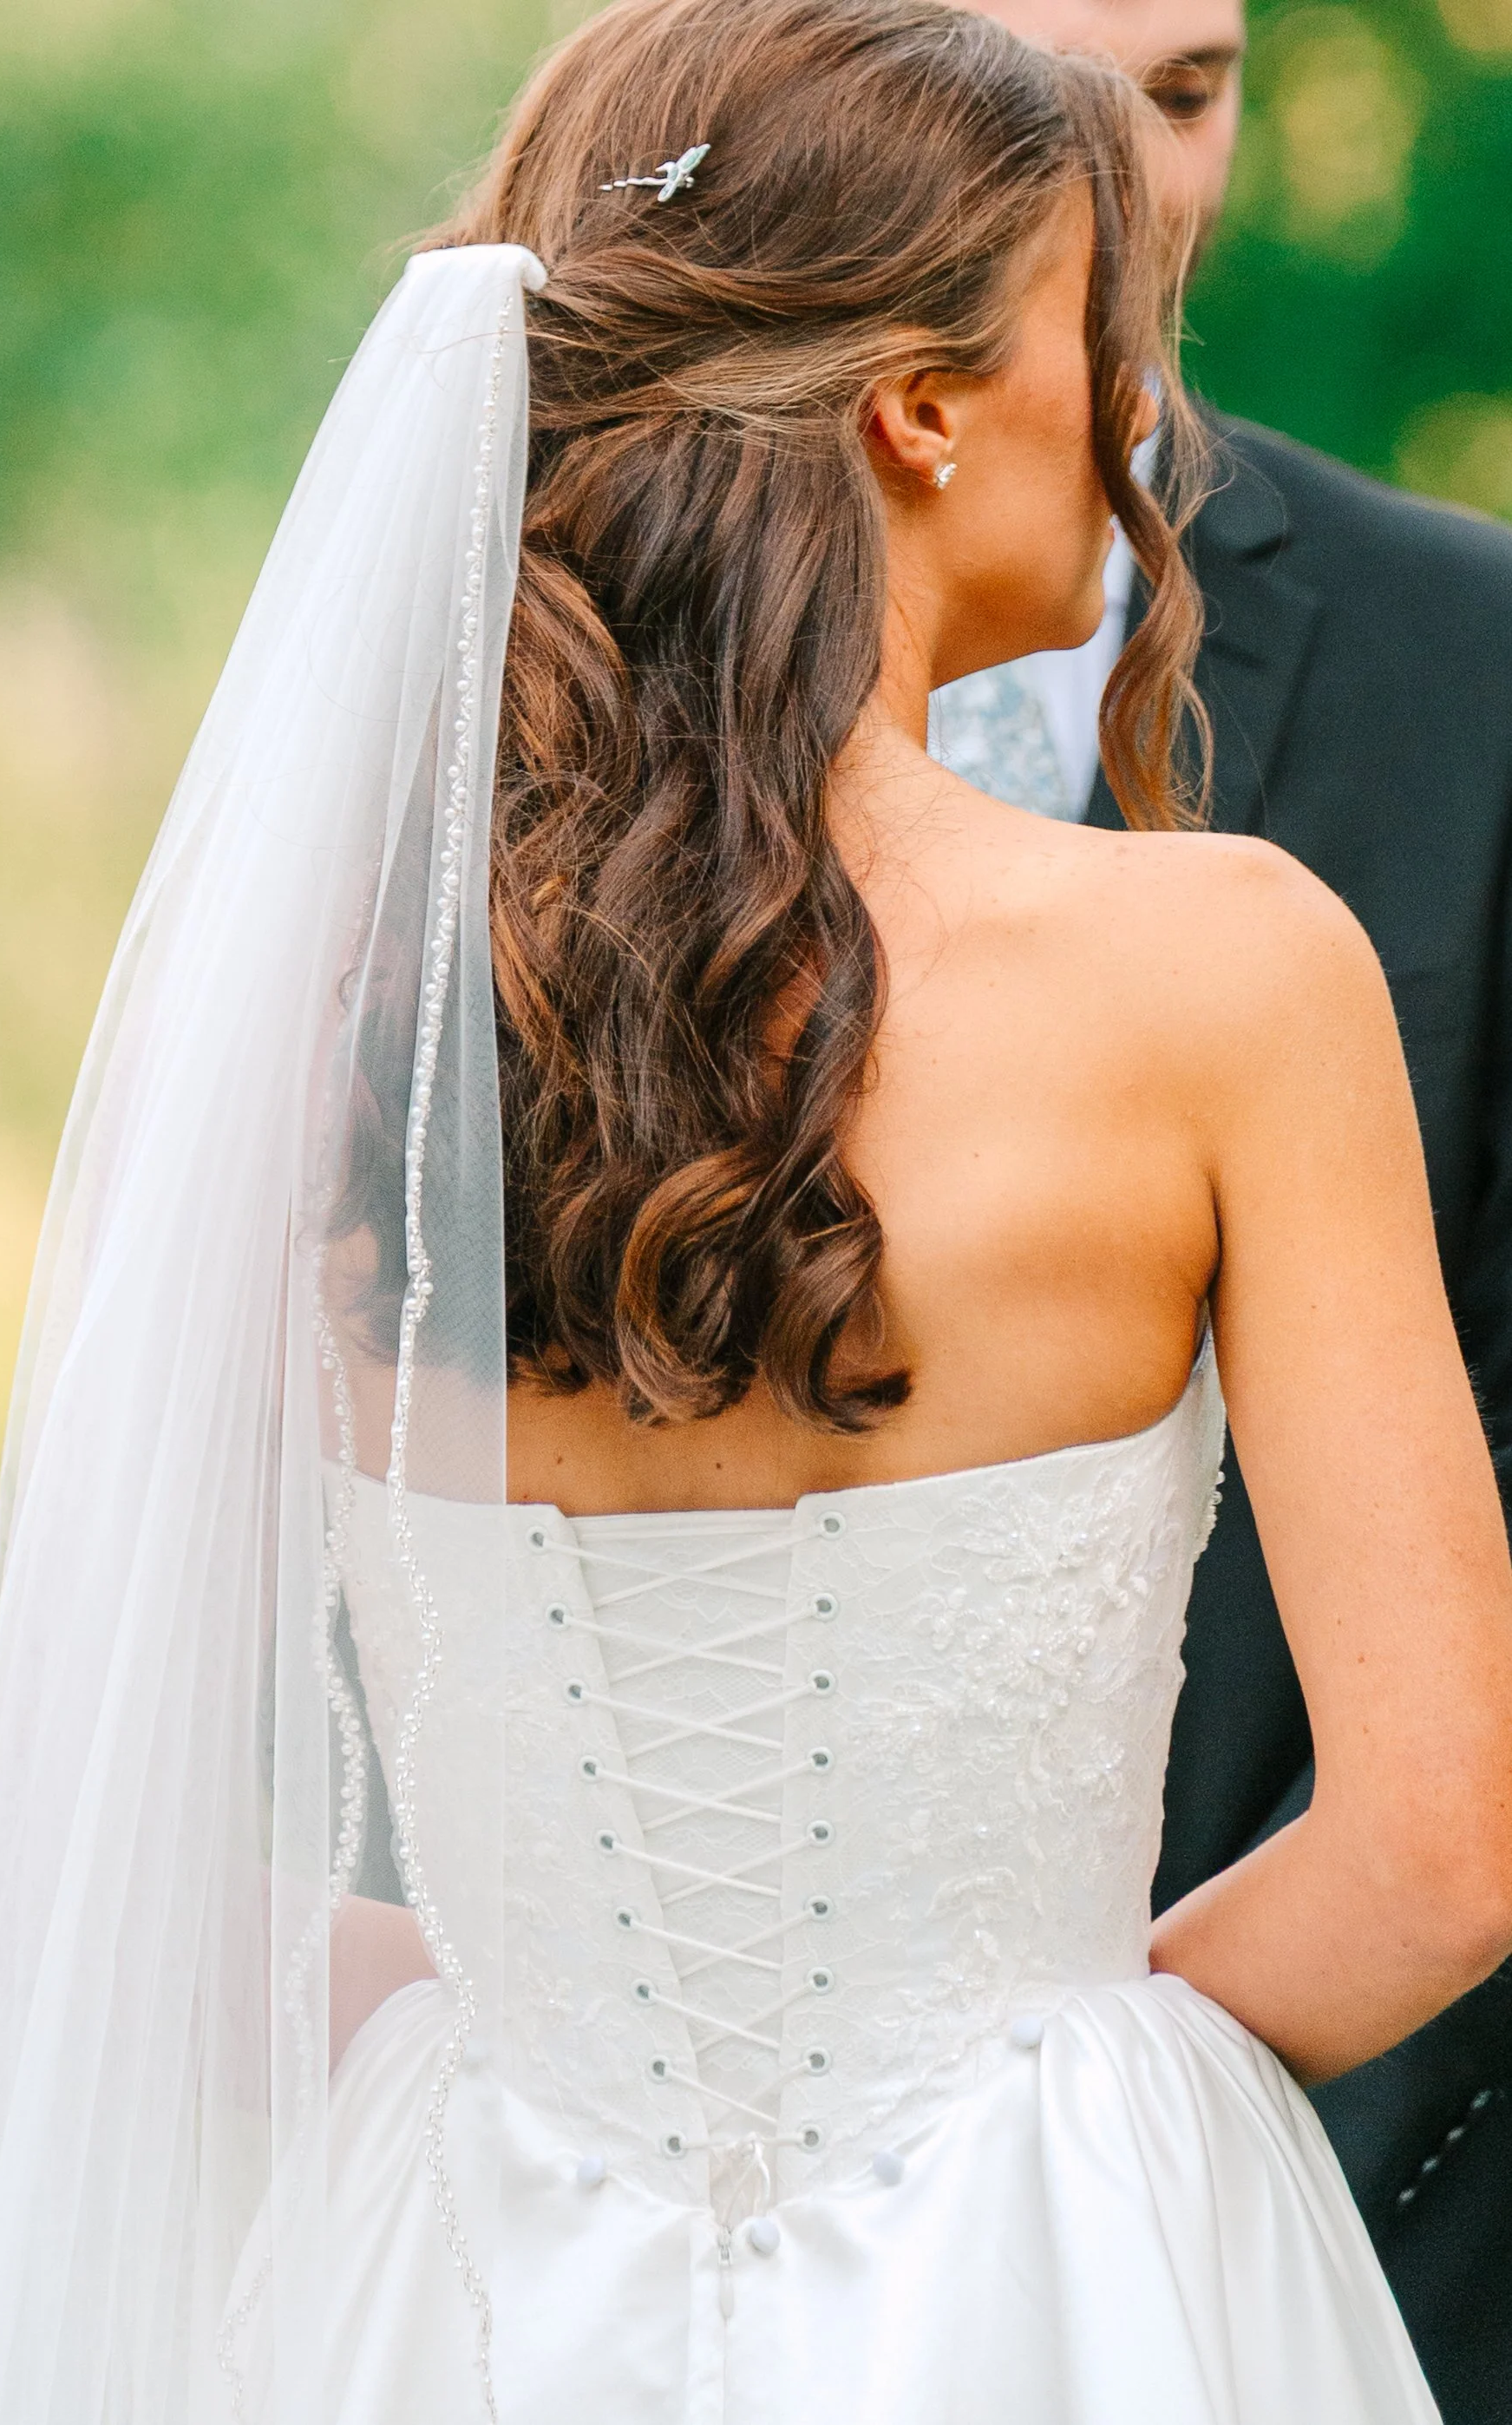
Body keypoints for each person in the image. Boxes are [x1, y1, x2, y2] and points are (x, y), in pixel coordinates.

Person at [0, 3, 1511, 2419]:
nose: (1144, 424)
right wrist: (1043, 2095)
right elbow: (1438, 1847)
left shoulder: (333, 1009)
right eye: (1103, 335)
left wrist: (564, 2048)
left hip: (459, 2286)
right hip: (1055, 2285)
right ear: (923, 407)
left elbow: (136, 1852)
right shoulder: (1220, 971)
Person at [932, 5, 1512, 2416]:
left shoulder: (1464, 655)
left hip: (1363, 2203)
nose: (1137, 194)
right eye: (1029, 107)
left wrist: (1154, 2148)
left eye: (1184, 94)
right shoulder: (483, 707)